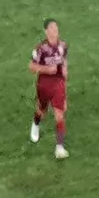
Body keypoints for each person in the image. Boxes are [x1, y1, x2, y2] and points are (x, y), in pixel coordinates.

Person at [28, 18, 70, 158]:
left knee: (59, 115)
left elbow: (64, 61)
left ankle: (60, 147)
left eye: (56, 27)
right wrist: (47, 69)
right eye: (51, 28)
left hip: (58, 83)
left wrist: (65, 73)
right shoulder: (40, 48)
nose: (55, 30)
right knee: (42, 110)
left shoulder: (63, 46)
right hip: (44, 83)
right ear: (46, 31)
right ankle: (36, 123)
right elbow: (32, 67)